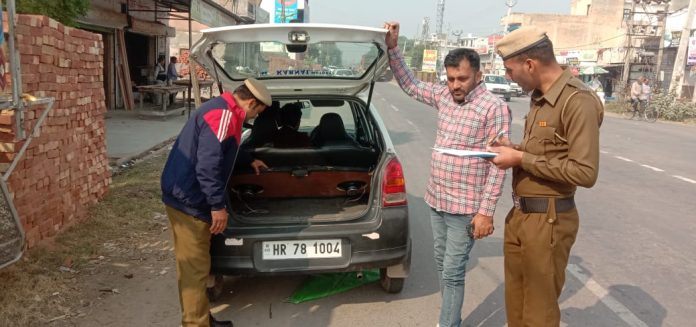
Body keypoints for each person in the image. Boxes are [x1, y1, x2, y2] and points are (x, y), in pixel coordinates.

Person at [384, 22, 511, 327]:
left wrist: (486, 212)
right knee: (443, 265)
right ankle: (449, 315)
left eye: (462, 79)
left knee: (453, 271)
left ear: (478, 76)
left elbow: (499, 163)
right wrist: (393, 49)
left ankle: (447, 323)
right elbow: (412, 85)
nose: (455, 85)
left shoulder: (493, 108)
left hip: (466, 207)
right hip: (437, 200)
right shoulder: (443, 96)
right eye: (451, 78)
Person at [489, 27, 603, 327]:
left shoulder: (577, 101)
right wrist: (513, 148)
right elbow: (548, 151)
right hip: (521, 216)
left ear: (530, 64)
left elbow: (585, 171)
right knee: (516, 306)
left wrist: (521, 158)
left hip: (549, 221)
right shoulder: (540, 98)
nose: (509, 77)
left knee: (538, 315)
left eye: (510, 70)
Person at [161, 78, 272, 327]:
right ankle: (195, 324)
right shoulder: (222, 115)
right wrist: (217, 206)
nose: (253, 117)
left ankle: (204, 319)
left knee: (199, 265)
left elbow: (225, 147)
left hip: (188, 195)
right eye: (257, 112)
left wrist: (247, 160)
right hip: (189, 200)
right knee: (194, 269)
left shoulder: (225, 110)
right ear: (251, 102)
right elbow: (208, 166)